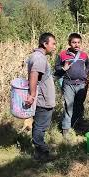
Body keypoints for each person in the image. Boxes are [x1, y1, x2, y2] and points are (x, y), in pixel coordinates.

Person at [25, 32, 56, 161]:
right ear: (45, 44)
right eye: (53, 43)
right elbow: (34, 75)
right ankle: (42, 153)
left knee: (39, 125)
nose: (54, 46)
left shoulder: (37, 56)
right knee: (40, 127)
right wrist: (32, 95)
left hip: (43, 98)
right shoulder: (39, 58)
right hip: (43, 99)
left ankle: (39, 152)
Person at [55, 33, 89, 138]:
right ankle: (66, 129)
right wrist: (63, 69)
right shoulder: (62, 54)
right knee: (68, 106)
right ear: (69, 43)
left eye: (78, 42)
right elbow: (56, 68)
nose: (76, 45)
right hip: (68, 84)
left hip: (81, 84)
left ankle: (77, 125)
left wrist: (87, 72)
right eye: (74, 42)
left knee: (79, 106)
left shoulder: (83, 55)